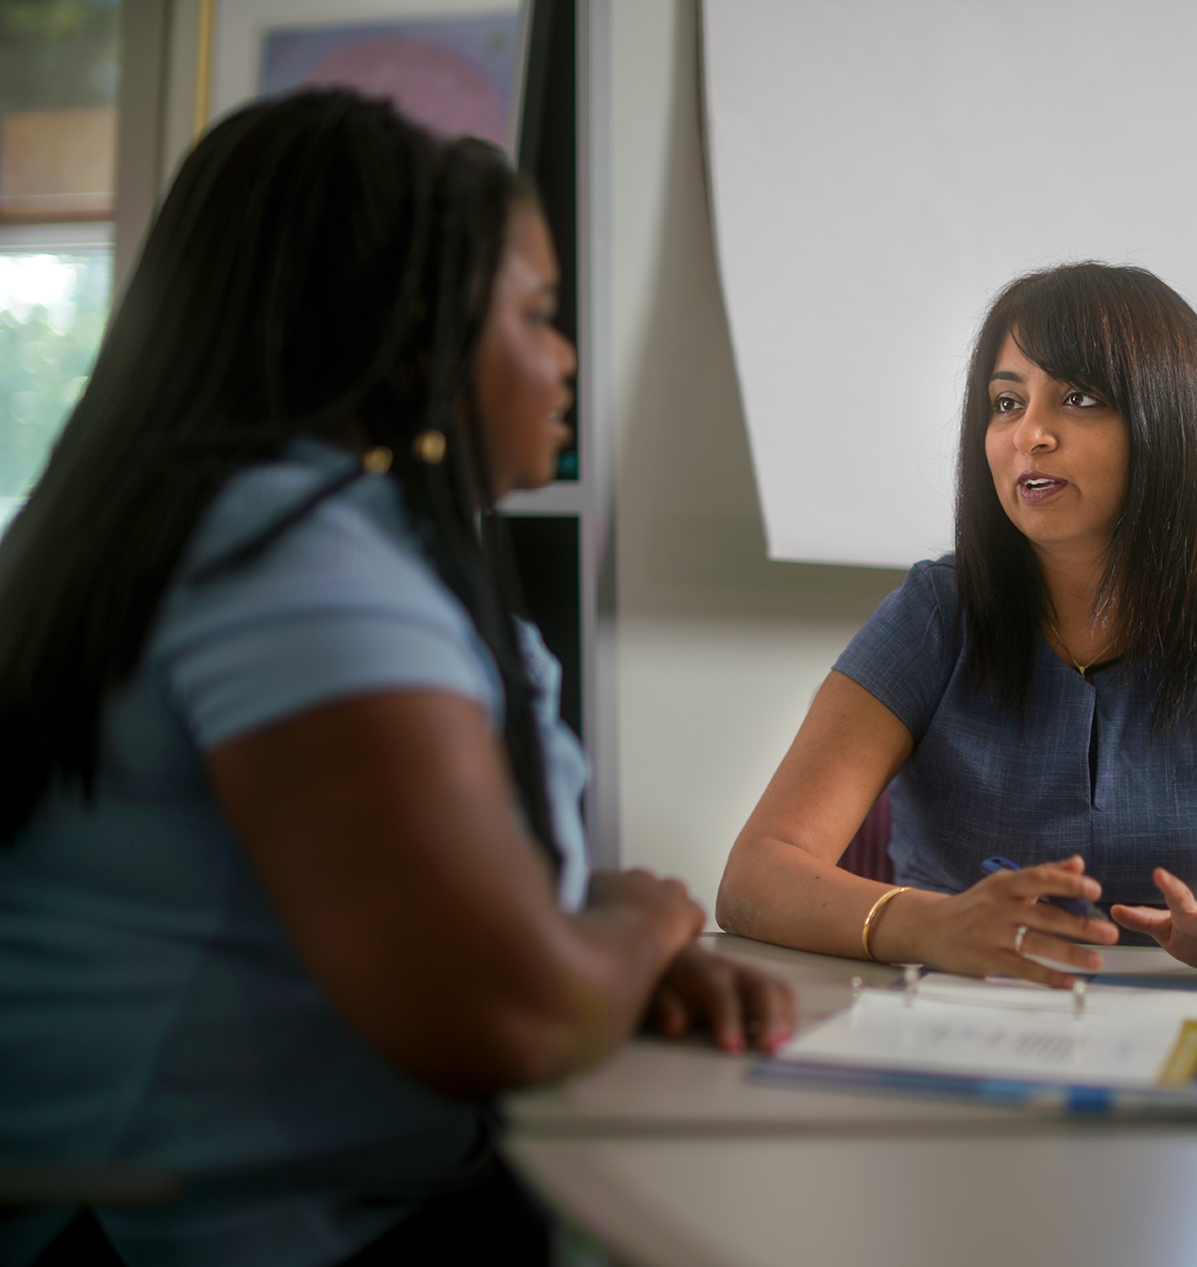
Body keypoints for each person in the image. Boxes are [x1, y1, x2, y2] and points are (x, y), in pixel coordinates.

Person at [0, 90, 791, 1267]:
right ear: (413, 330)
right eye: (535, 314)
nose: (566, 359)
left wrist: (583, 947)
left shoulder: (233, 528)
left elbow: (429, 910)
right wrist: (638, 924)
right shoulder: (292, 562)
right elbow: (506, 1015)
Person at [717, 262, 1197, 987]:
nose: (1029, 434)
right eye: (1006, 402)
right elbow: (755, 875)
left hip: (1173, 1030)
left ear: (1166, 420)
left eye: (1079, 397)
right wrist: (934, 924)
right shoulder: (933, 612)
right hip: (953, 1015)